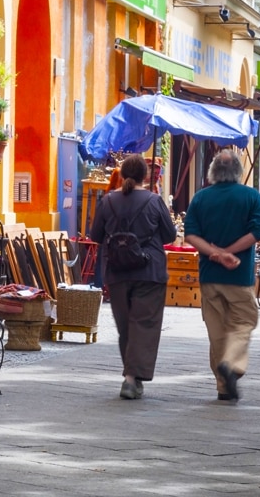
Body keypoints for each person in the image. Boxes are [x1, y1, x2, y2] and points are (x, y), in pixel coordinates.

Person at [88, 153, 176, 400]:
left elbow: (95, 235)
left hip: (117, 271)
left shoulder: (108, 201)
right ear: (144, 176)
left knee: (126, 326)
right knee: (144, 324)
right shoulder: (154, 200)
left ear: (123, 175)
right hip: (150, 270)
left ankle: (131, 377)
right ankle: (131, 379)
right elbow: (169, 236)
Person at [183, 149, 260, 403]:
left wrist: (216, 254)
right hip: (239, 275)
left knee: (217, 331)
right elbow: (257, 231)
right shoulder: (251, 196)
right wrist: (229, 253)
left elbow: (190, 235)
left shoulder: (200, 198)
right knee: (244, 323)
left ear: (213, 171)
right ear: (238, 172)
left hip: (209, 276)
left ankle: (223, 388)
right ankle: (232, 365)